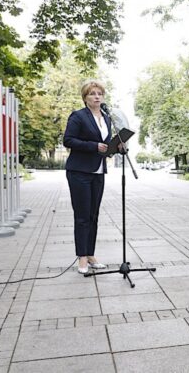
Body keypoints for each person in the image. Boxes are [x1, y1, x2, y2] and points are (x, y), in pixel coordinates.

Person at [63, 80, 111, 274]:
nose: (97, 96)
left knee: (93, 215)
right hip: (80, 172)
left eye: (100, 93)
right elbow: (68, 140)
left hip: (98, 171)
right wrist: (94, 146)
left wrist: (116, 148)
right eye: (92, 93)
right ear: (85, 98)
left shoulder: (107, 118)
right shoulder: (78, 116)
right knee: (82, 216)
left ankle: (90, 254)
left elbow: (105, 144)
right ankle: (82, 258)